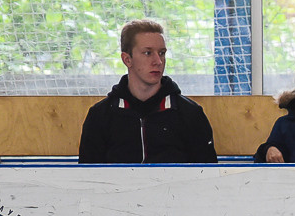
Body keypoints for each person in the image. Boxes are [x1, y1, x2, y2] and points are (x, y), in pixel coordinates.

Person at [78, 19, 218, 164]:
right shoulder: (100, 116)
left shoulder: (190, 114)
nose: (158, 61)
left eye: (162, 53)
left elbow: (207, 177)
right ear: (127, 59)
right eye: (147, 53)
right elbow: (88, 178)